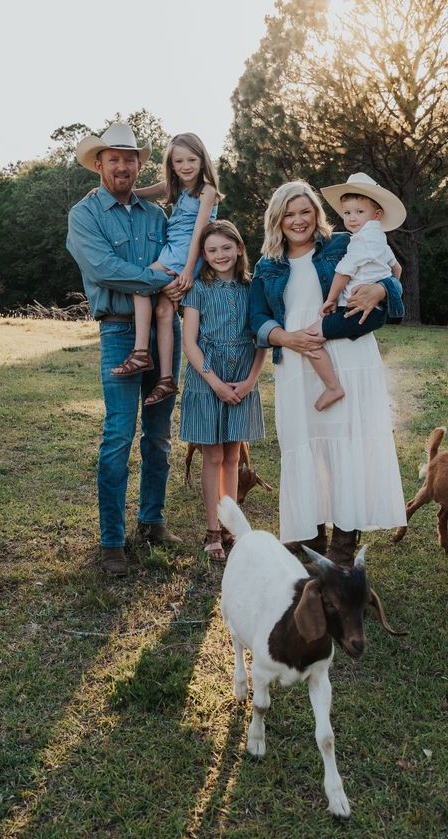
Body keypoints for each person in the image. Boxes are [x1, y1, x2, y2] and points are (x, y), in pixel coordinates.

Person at [249, 180, 406, 566]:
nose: (298, 220)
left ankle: (343, 545)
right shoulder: (268, 265)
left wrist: (384, 290)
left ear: (316, 215)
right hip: (296, 366)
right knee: (304, 446)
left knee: (344, 446)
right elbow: (255, 318)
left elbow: (389, 290)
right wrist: (285, 337)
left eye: (305, 211)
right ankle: (310, 535)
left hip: (348, 360)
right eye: (289, 213)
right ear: (277, 219)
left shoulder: (343, 244)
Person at [66, 121, 184, 577]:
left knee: (159, 435)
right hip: (118, 333)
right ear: (99, 164)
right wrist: (164, 281)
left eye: (130, 159)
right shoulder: (85, 215)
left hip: (164, 331)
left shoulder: (157, 216)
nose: (122, 166)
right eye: (113, 158)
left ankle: (152, 521)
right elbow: (105, 269)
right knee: (118, 435)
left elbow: (187, 245)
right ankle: (111, 541)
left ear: (139, 165)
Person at [111, 133, 221, 407]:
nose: (185, 166)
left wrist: (187, 269)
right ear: (171, 165)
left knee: (140, 282)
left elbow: (200, 232)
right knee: (163, 310)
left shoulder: (207, 191)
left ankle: (140, 352)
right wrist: (104, 192)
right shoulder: (176, 187)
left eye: (192, 160)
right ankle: (167, 379)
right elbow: (136, 193)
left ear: (202, 160)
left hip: (186, 251)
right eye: (178, 161)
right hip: (175, 250)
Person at [180, 221, 266, 562]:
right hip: (207, 378)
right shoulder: (198, 289)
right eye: (212, 250)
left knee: (233, 457)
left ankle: (232, 526)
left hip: (243, 377)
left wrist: (249, 381)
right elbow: (189, 342)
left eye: (226, 248)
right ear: (203, 254)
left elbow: (262, 337)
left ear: (240, 249)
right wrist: (214, 381)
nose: (220, 255)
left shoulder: (252, 287)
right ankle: (213, 530)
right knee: (212, 456)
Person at [302, 172, 405, 411]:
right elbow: (397, 269)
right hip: (374, 311)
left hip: (356, 311)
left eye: (360, 212)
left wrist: (330, 300)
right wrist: (385, 289)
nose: (352, 218)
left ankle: (332, 387)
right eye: (347, 213)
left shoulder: (362, 241)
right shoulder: (380, 240)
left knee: (308, 338)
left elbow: (343, 272)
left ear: (377, 215)